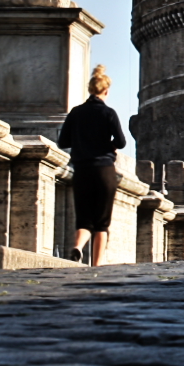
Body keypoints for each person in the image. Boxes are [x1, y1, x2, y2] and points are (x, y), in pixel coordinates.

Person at [56, 65, 127, 264]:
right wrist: (108, 145)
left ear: (90, 89)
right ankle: (96, 264)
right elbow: (121, 142)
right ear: (106, 91)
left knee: (84, 220)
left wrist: (81, 143)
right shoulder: (109, 113)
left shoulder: (76, 113)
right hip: (104, 171)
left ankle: (78, 247)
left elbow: (63, 142)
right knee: (102, 223)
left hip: (82, 171)